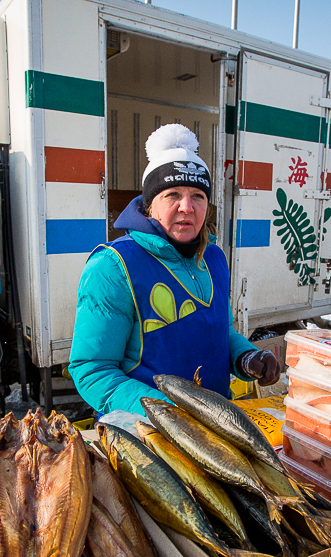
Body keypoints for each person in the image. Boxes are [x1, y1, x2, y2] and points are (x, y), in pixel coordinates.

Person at [69, 124, 280, 416]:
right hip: (151, 434)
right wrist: (170, 413)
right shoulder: (114, 266)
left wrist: (246, 357)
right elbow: (93, 370)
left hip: (216, 424)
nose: (187, 207)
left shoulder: (214, 258)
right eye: (172, 195)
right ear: (149, 205)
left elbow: (220, 331)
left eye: (198, 196)